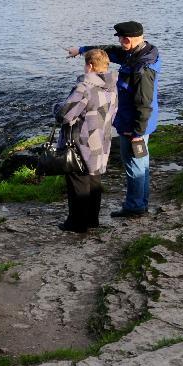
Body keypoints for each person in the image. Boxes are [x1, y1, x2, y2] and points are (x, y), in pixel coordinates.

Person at [66, 21, 161, 218]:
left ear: (128, 39)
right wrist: (81, 50)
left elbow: (144, 102)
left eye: (120, 38)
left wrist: (137, 132)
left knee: (134, 166)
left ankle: (134, 207)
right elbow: (109, 51)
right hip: (138, 123)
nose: (118, 41)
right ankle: (140, 203)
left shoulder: (142, 68)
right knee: (141, 163)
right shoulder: (138, 52)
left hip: (133, 125)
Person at [53, 49, 118, 233]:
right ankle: (92, 220)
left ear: (89, 65)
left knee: (78, 182)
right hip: (102, 139)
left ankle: (77, 224)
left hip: (81, 142)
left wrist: (55, 107)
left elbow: (64, 115)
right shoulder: (112, 86)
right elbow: (113, 113)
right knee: (94, 181)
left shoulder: (84, 87)